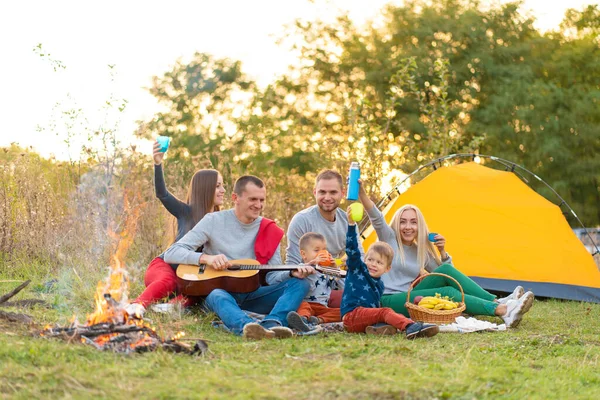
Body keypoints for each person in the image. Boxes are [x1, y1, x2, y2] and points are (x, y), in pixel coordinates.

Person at [357, 181, 535, 328]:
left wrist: (442, 252)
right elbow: (375, 216)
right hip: (386, 299)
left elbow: (445, 273)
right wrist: (362, 193)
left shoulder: (421, 251)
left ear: (419, 226)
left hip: (410, 295)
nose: (408, 227)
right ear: (397, 224)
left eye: (413, 222)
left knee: (446, 273)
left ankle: (497, 300)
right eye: (403, 222)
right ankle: (502, 311)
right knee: (446, 292)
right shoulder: (389, 238)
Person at [164, 175, 313, 340]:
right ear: (235, 198)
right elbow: (172, 253)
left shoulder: (270, 229)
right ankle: (246, 328)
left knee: (300, 284)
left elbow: (272, 276)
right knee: (216, 295)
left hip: (253, 293)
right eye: (253, 199)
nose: (258, 205)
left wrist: (291, 273)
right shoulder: (213, 220)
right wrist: (206, 258)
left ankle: (271, 324)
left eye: (262, 200)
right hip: (220, 294)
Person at [128, 140, 225, 316]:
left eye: (222, 185)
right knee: (168, 281)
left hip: (188, 276)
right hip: (164, 267)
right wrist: (158, 164)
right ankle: (137, 305)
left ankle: (169, 309)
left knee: (202, 287)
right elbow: (162, 194)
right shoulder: (186, 212)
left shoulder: (221, 221)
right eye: (218, 186)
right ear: (206, 188)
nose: (223, 190)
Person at [341, 206, 439, 338]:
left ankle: (379, 329)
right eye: (370, 260)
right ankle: (410, 327)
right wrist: (352, 225)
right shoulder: (357, 270)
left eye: (379, 263)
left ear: (387, 269)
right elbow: (352, 249)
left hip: (366, 317)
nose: (373, 265)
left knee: (385, 313)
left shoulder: (380, 284)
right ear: (364, 259)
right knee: (385, 312)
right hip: (353, 316)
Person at [285, 232, 344, 332]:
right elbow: (306, 282)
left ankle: (317, 320)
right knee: (302, 306)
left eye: (324, 250)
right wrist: (312, 264)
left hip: (322, 308)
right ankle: (302, 320)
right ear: (304, 254)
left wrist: (335, 269)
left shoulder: (327, 271)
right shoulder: (301, 268)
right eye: (316, 250)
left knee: (343, 311)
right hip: (305, 304)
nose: (322, 254)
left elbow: (341, 286)